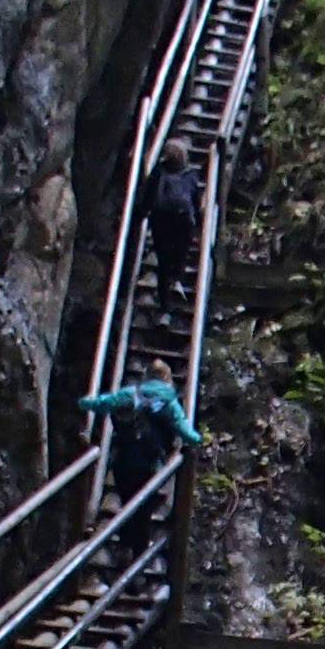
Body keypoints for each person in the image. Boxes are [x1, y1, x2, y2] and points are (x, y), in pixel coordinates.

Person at [78, 359, 202, 557]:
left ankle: (124, 545)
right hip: (150, 465)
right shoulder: (169, 402)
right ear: (168, 379)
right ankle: (138, 554)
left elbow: (103, 403)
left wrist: (85, 403)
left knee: (127, 501)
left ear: (147, 376)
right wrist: (197, 439)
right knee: (143, 508)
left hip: (124, 462)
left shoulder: (131, 394)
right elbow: (184, 429)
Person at [146, 138, 204, 318]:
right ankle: (177, 279)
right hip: (183, 223)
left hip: (160, 221)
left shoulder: (158, 173)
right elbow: (196, 203)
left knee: (163, 264)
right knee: (180, 254)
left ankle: (165, 309)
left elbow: (147, 198)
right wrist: (200, 226)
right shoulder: (191, 175)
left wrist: (140, 216)